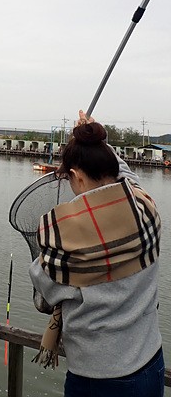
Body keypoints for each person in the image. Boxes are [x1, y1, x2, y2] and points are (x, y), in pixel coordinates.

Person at [29, 110, 164, 397]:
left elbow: (43, 298)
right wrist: (96, 140)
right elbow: (126, 176)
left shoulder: (63, 242)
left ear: (76, 176)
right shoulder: (145, 209)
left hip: (98, 379)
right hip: (151, 364)